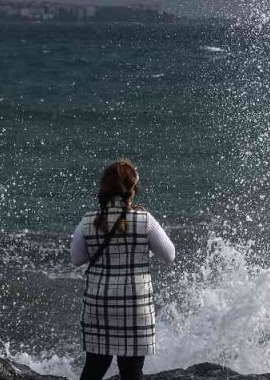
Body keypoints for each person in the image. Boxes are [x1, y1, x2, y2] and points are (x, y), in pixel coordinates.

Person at [69, 159, 176, 380]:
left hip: (99, 305)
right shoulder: (144, 219)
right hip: (135, 307)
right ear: (132, 189)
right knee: (132, 371)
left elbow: (76, 258)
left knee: (94, 368)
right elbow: (169, 255)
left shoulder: (89, 221)